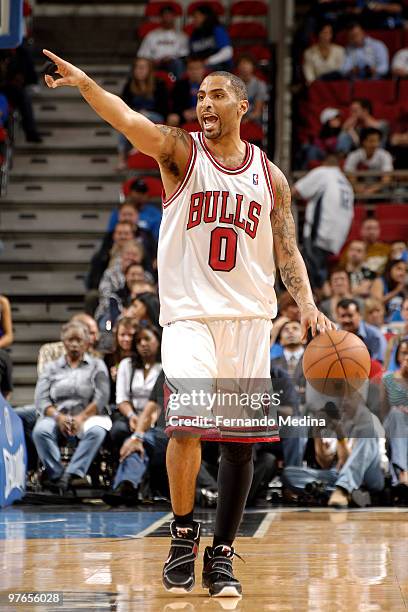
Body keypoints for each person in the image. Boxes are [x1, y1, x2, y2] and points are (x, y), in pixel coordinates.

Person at [43, 48, 334, 598]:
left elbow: (288, 251)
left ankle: (221, 556)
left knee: (241, 446)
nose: (204, 103)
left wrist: (309, 303)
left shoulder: (270, 178)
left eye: (217, 95)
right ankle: (182, 534)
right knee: (187, 425)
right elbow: (128, 120)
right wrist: (86, 85)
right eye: (199, 96)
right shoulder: (180, 151)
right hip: (190, 317)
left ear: (243, 106)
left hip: (249, 319)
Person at [33, 322, 111, 493]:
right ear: (63, 342)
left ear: (86, 342)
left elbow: (101, 397)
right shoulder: (51, 367)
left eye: (79, 340)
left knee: (97, 432)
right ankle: (58, 475)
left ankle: (72, 474)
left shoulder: (97, 365)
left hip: (88, 415)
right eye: (70, 340)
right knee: (40, 431)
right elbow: (41, 399)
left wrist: (81, 418)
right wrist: (59, 418)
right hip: (56, 415)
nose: (75, 344)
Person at [105, 325, 162, 503]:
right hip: (131, 415)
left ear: (158, 342)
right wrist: (131, 416)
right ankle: (128, 485)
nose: (143, 344)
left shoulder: (166, 366)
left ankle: (125, 484)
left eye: (147, 340)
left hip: (157, 418)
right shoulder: (126, 365)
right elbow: (121, 398)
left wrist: (141, 430)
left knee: (142, 440)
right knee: (121, 432)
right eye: (139, 341)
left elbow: (160, 402)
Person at [292, 153, 354, 289]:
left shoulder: (324, 172)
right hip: (338, 238)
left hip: (320, 232)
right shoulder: (346, 183)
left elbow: (295, 191)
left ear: (325, 162)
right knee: (322, 273)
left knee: (311, 276)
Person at [117, 57, 169, 170]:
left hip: (155, 116)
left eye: (142, 68)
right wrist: (137, 113)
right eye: (136, 68)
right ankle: (122, 158)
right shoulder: (129, 85)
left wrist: (144, 114)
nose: (139, 70)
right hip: (135, 117)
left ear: (149, 70)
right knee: (124, 125)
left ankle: (137, 146)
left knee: (140, 119)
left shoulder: (159, 84)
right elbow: (123, 106)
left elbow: (164, 108)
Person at [381, 338, 408, 487]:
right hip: (392, 429)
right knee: (396, 413)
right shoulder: (388, 379)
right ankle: (403, 472)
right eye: (404, 353)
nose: (407, 357)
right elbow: (382, 413)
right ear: (398, 356)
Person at [137, 5, 188, 78]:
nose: (167, 17)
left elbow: (184, 56)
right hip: (155, 64)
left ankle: (179, 86)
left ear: (174, 17)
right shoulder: (152, 35)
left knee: (178, 63)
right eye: (165, 15)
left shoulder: (182, 36)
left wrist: (170, 59)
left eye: (170, 15)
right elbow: (142, 55)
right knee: (139, 65)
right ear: (160, 17)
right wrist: (155, 61)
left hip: (174, 64)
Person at [344, 127, 394, 197]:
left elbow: (386, 179)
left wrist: (372, 190)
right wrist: (360, 190)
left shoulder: (385, 155)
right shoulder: (353, 156)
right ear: (363, 142)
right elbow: (350, 177)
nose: (375, 144)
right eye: (371, 141)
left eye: (377, 141)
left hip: (379, 191)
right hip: (358, 192)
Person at [104, 317, 140, 407]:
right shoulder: (109, 358)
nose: (126, 339)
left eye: (130, 335)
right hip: (115, 405)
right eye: (122, 335)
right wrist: (113, 380)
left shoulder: (142, 357)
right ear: (116, 336)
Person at [189, 4, 233, 71]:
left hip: (220, 67)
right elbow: (192, 55)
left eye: (196, 17)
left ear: (205, 17)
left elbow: (227, 52)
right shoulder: (194, 35)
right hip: (200, 68)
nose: (194, 20)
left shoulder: (217, 30)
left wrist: (208, 61)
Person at [167, 56, 206, 128]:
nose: (194, 72)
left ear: (203, 70)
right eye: (191, 69)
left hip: (204, 114)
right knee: (172, 118)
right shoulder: (180, 85)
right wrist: (183, 112)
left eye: (197, 69)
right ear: (187, 71)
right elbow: (176, 104)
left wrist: (198, 113)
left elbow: (214, 105)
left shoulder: (210, 85)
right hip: (185, 114)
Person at [235, 55, 268, 125]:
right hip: (234, 120)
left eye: (247, 64)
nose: (244, 67)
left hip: (252, 121)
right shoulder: (230, 84)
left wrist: (245, 121)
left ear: (253, 67)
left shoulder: (259, 85)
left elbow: (257, 112)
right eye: (242, 64)